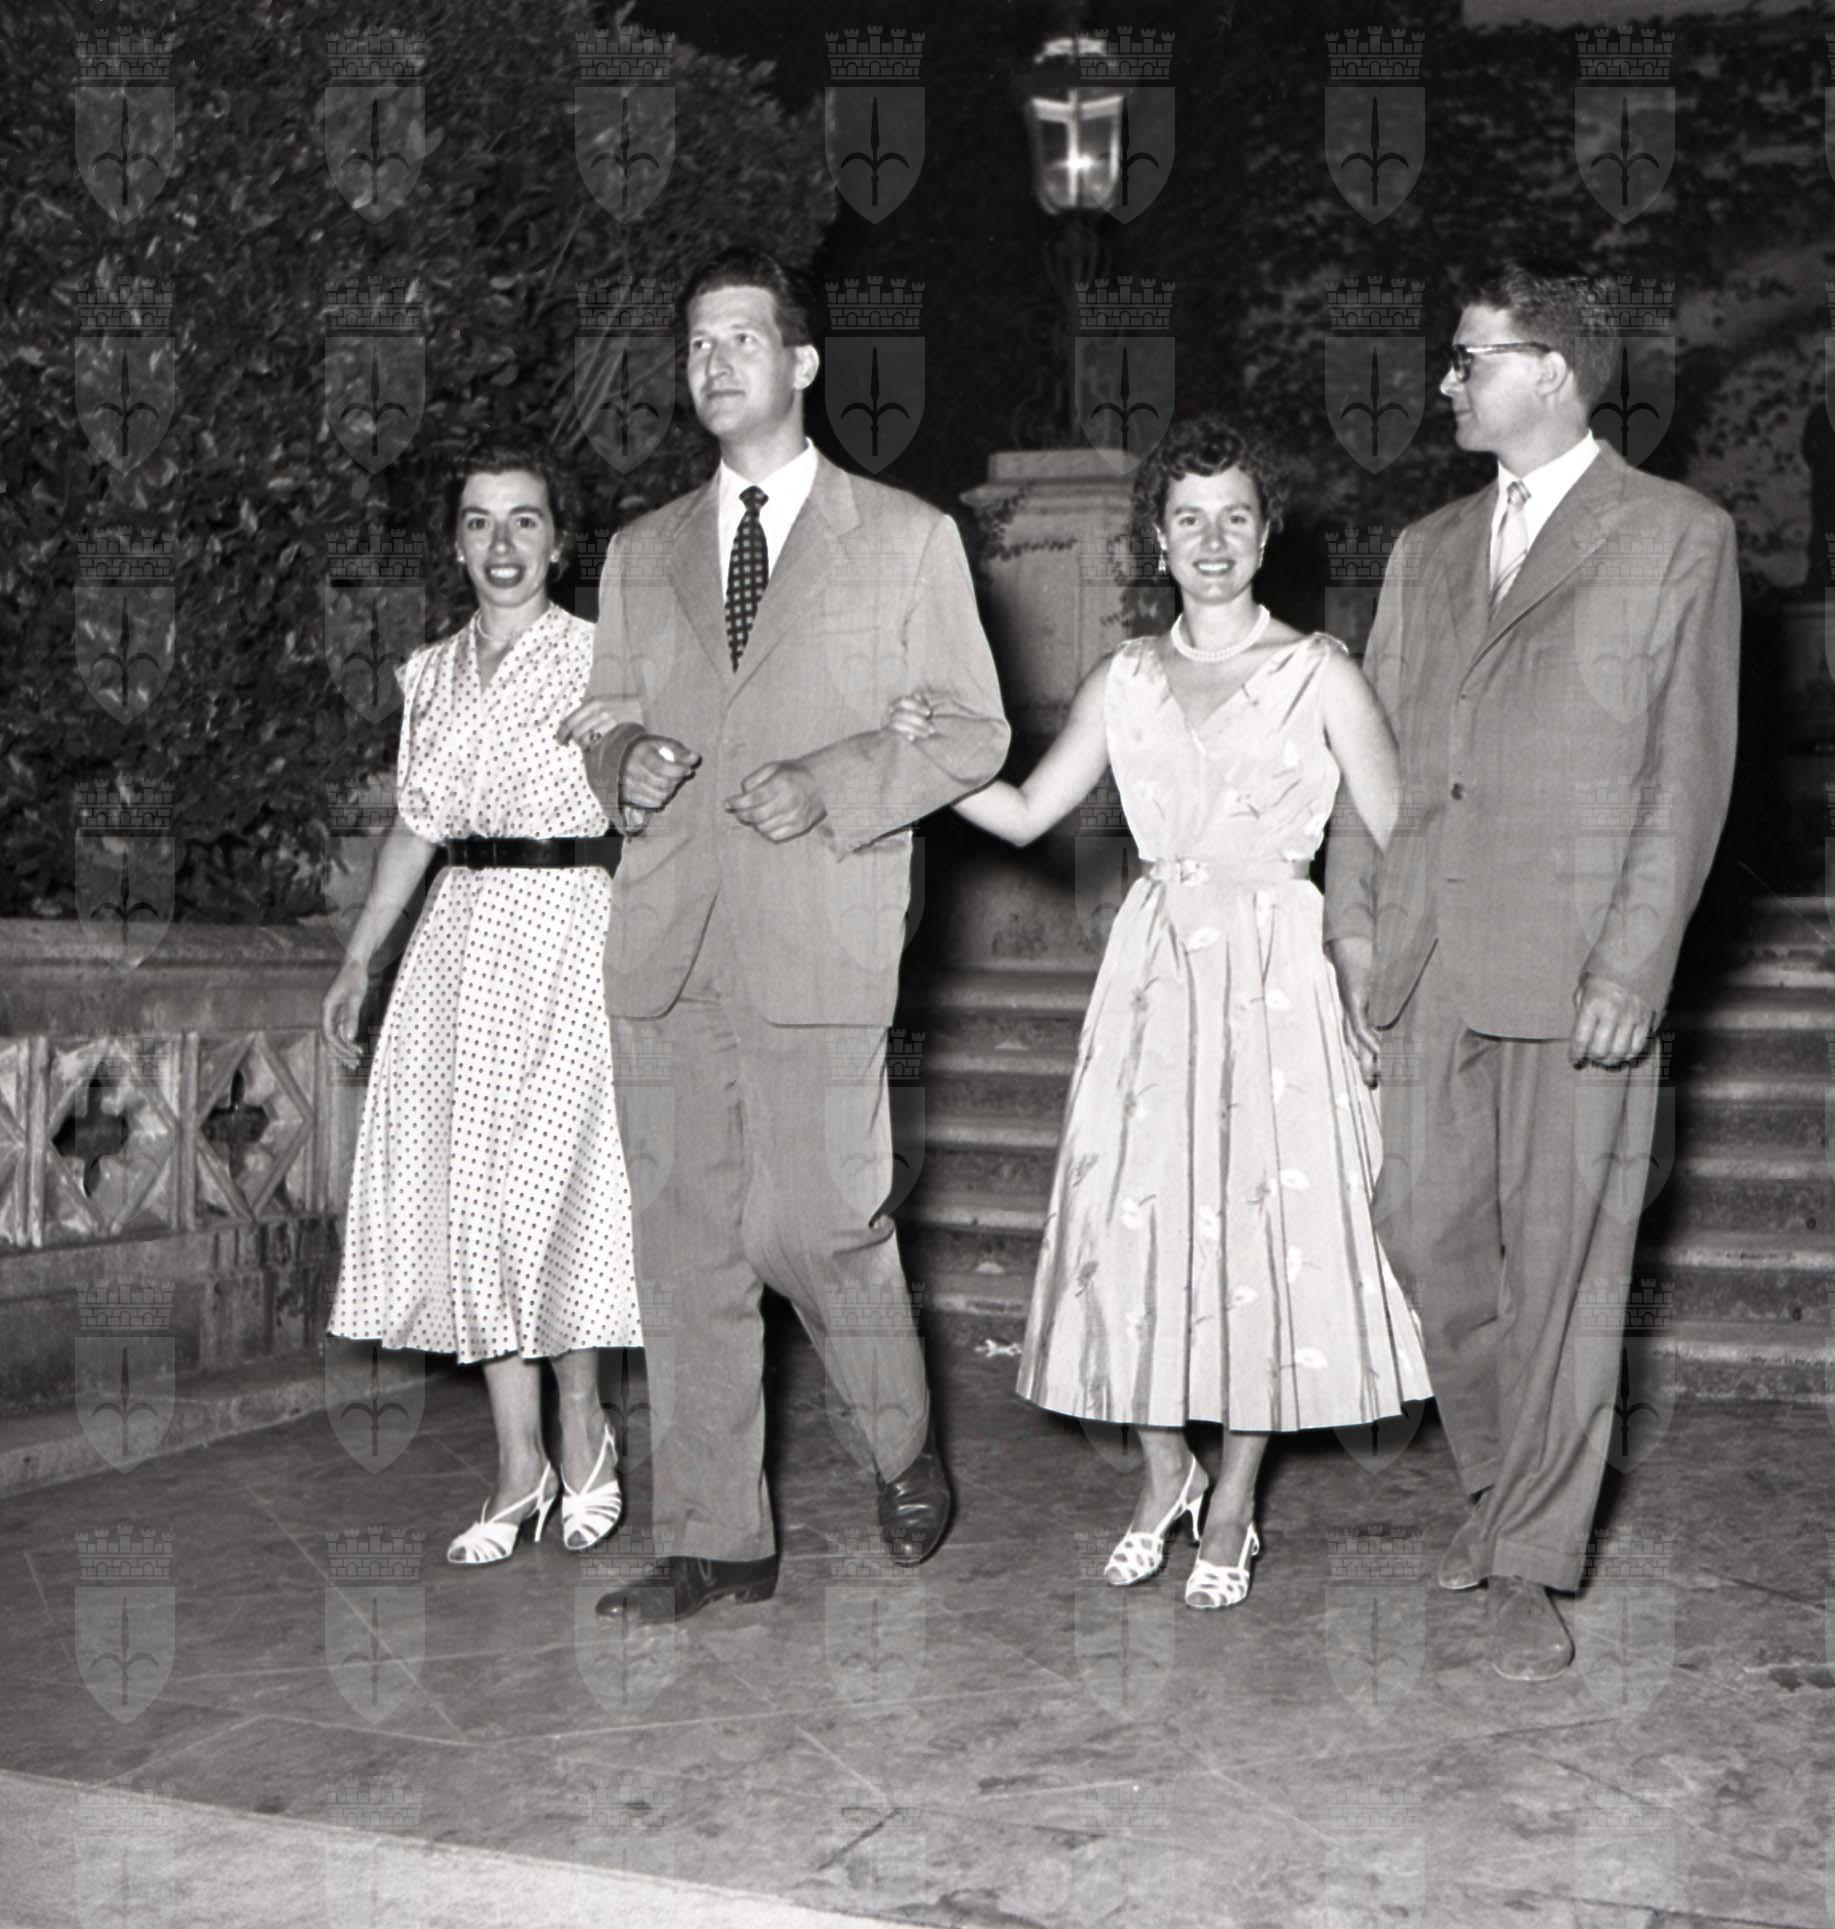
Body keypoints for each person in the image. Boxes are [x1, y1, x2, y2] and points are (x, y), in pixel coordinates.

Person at [887, 415, 1429, 1609]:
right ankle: (1163, 1468)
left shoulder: (1322, 672)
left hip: (1279, 975)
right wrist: (932, 759)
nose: (1213, 541)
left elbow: (1405, 838)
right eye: (1189, 519)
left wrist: (1379, 973)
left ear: (1268, 532)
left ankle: (1233, 1500)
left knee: (1262, 1233)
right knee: (1130, 1219)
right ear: (1157, 537)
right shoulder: (1125, 677)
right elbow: (1024, 813)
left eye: (1236, 516)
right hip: (1154, 972)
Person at [558, 247, 1009, 1626]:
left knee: (817, 1223)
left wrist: (833, 780)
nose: (715, 363)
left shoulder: (907, 537)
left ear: (803, 363)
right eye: (697, 344)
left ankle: (901, 1442)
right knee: (685, 1242)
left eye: (741, 339)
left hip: (819, 927)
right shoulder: (640, 552)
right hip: (669, 939)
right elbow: (604, 712)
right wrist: (622, 760)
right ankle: (715, 1540)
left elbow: (974, 730)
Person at [1324, 264, 1740, 1679]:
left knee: (1567, 1272)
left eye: (1471, 358)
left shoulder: (1675, 536)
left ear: (1553, 370)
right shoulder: (1426, 547)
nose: (1446, 381)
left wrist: (1637, 962)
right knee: (1426, 1236)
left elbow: (1687, 775)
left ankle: (1531, 1555)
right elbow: (1369, 756)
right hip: (1432, 958)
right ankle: (1500, 1490)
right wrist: (1355, 928)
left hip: (1578, 973)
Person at [325, 444, 641, 1566]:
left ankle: (584, 1431)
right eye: (478, 522)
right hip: (458, 945)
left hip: (569, 933)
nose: (501, 545)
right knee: (472, 1204)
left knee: (553, 1197)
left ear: (559, 541)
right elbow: (417, 825)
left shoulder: (606, 657)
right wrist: (359, 960)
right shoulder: (430, 674)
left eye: (524, 521)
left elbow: (647, 796)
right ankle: (518, 1467)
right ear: (456, 543)